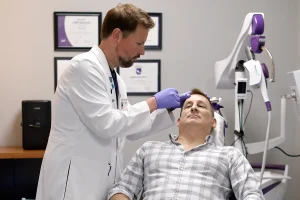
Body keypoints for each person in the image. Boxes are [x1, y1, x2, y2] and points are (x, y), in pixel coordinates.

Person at [35, 3, 190, 200]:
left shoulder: (115, 79)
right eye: (139, 44)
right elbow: (107, 124)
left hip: (99, 180)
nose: (142, 52)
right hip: (73, 181)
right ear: (117, 35)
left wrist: (172, 110)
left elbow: (128, 127)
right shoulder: (83, 67)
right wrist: (153, 102)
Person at [108, 88, 265, 200]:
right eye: (188, 106)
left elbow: (251, 193)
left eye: (201, 106)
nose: (194, 108)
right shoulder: (149, 150)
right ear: (178, 120)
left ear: (213, 122)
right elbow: (123, 188)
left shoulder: (230, 156)